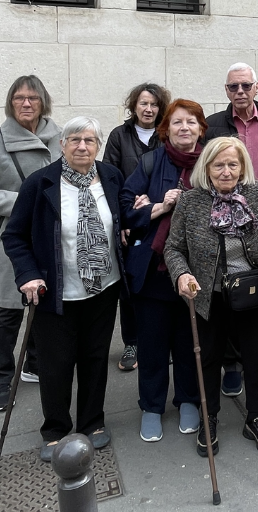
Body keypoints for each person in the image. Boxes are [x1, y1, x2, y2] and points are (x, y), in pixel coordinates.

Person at [3, 117, 126, 462]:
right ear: (62, 145)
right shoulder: (40, 183)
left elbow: (123, 218)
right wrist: (27, 275)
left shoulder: (112, 178)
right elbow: (14, 236)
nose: (82, 146)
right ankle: (55, 428)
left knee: (95, 357)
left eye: (89, 140)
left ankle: (92, 421)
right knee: (56, 363)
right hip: (55, 291)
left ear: (98, 145)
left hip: (104, 287)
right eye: (74, 140)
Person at [164, 137, 258, 458]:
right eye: (219, 165)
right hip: (208, 295)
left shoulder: (257, 193)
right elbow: (173, 248)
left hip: (252, 291)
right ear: (207, 167)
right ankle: (209, 416)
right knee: (209, 359)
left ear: (242, 167)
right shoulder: (190, 202)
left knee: (256, 359)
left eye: (233, 164)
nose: (226, 172)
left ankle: (255, 417)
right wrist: (182, 274)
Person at [0, 75, 60, 412]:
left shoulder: (60, 137)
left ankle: (34, 363)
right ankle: (0, 378)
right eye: (19, 98)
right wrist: (23, 201)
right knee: (9, 311)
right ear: (11, 102)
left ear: (42, 102)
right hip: (11, 238)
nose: (26, 104)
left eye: (32, 98)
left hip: (49, 236)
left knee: (44, 303)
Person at [120, 99, 206, 442]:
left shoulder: (212, 162)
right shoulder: (151, 162)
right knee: (153, 345)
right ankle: (152, 407)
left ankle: (188, 400)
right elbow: (125, 209)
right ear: (165, 129)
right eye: (176, 123)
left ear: (201, 128)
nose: (184, 128)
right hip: (154, 271)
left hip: (195, 270)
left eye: (191, 122)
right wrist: (159, 207)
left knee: (189, 342)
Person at [204, 63, 258, 395]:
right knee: (224, 285)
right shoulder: (213, 125)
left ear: (257, 88)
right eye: (233, 87)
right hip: (222, 210)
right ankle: (231, 363)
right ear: (226, 91)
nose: (239, 91)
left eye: (245, 85)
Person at [104, 83, 172, 371]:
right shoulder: (120, 136)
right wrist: (122, 218)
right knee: (130, 286)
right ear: (134, 106)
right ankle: (132, 342)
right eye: (143, 103)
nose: (148, 109)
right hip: (130, 220)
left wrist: (154, 204)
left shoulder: (166, 136)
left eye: (154, 104)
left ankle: (161, 342)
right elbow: (110, 176)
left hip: (160, 216)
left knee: (159, 282)